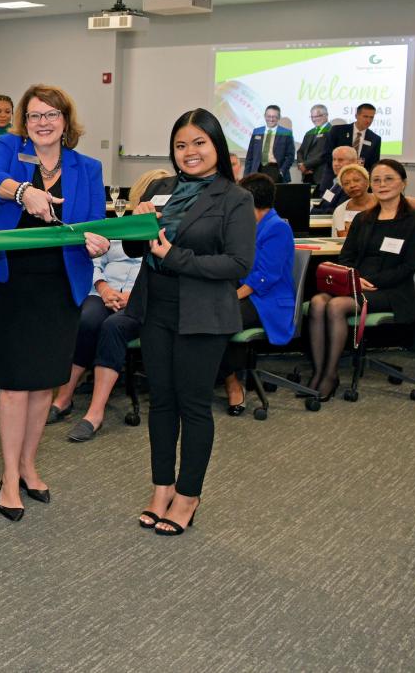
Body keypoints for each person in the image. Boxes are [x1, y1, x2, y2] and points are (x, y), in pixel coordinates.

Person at [0, 84, 109, 520]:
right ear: (24, 120)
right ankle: (9, 477)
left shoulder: (87, 167)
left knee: (44, 383)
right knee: (16, 384)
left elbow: (96, 224)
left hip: (61, 286)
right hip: (13, 282)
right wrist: (24, 193)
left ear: (65, 121)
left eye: (51, 115)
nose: (43, 122)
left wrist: (98, 242)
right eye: (35, 115)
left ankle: (28, 464)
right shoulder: (8, 148)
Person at [127, 108, 255, 537]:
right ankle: (161, 487)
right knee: (160, 402)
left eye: (199, 142)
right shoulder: (162, 189)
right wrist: (136, 220)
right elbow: (133, 249)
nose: (190, 152)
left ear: (216, 145)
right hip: (156, 307)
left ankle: (188, 495)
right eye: (181, 145)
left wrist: (173, 257)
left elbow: (238, 263)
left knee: (193, 405)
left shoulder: (235, 198)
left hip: (203, 313)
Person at [47, 169, 171, 441]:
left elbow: (163, 269)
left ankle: (95, 412)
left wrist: (132, 295)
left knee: (113, 327)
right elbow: (96, 260)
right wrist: (103, 288)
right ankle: (64, 398)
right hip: (105, 291)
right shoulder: (120, 224)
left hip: (142, 300)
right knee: (88, 319)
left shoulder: (169, 229)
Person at [305, 159, 415, 400]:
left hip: (390, 289)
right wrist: (354, 279)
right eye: (377, 180)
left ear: (403, 183)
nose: (382, 185)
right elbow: (346, 256)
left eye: (389, 179)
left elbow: (408, 266)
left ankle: (330, 375)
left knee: (336, 305)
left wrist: (364, 281)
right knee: (319, 301)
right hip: (355, 283)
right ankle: (319, 372)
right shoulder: (363, 219)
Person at [218, 173, 295, 416]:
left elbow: (264, 277)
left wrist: (231, 297)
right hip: (248, 295)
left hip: (268, 301)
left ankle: (232, 384)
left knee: (220, 317)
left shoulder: (277, 228)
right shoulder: (248, 225)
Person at [327, 104, 381, 188]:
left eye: (371, 117)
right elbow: (327, 154)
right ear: (356, 116)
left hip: (358, 184)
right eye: (365, 116)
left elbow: (374, 164)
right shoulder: (338, 131)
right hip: (334, 180)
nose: (368, 120)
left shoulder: (375, 138)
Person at [243, 105, 294, 182]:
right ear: (264, 116)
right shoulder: (257, 131)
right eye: (268, 116)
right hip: (258, 169)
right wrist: (246, 175)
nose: (271, 119)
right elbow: (250, 156)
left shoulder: (286, 133)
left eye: (274, 117)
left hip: (276, 170)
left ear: (279, 117)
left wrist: (282, 171)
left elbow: (290, 156)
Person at [311, 146, 360, 215]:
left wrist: (312, 211)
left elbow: (338, 212)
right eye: (334, 159)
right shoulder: (336, 181)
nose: (335, 164)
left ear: (353, 162)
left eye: (340, 160)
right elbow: (324, 205)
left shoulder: (352, 185)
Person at [331, 164, 373, 237]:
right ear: (343, 188)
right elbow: (336, 241)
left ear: (367, 181)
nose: (352, 185)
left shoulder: (383, 203)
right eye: (346, 183)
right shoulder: (339, 211)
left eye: (356, 180)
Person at [297, 104, 332, 189]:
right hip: (307, 174)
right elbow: (300, 152)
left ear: (326, 115)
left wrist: (305, 165)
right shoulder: (309, 132)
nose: (315, 119)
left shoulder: (332, 131)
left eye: (318, 116)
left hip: (321, 175)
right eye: (312, 117)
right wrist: (301, 165)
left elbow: (325, 154)